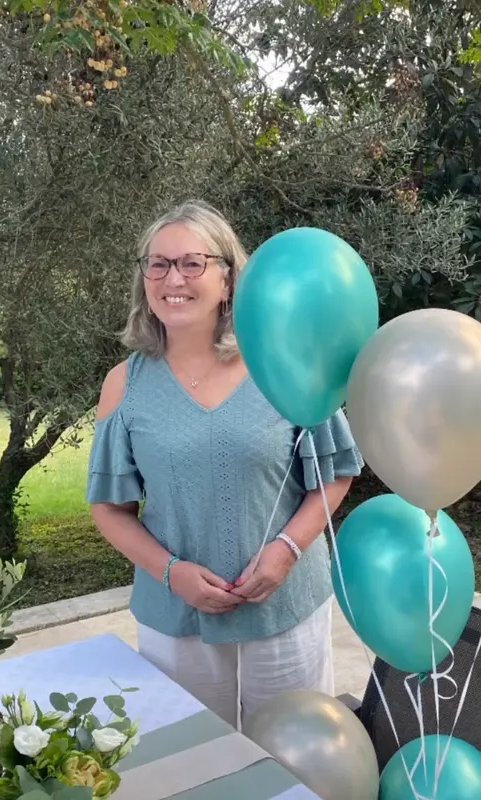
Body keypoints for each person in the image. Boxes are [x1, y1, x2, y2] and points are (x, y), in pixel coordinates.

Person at [86, 200, 363, 731]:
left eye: (193, 262)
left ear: (229, 279)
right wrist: (172, 574)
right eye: (158, 263)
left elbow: (335, 475)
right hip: (177, 618)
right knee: (195, 767)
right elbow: (110, 509)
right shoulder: (125, 385)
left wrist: (285, 552)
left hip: (286, 609)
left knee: (296, 763)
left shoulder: (281, 363)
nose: (173, 278)